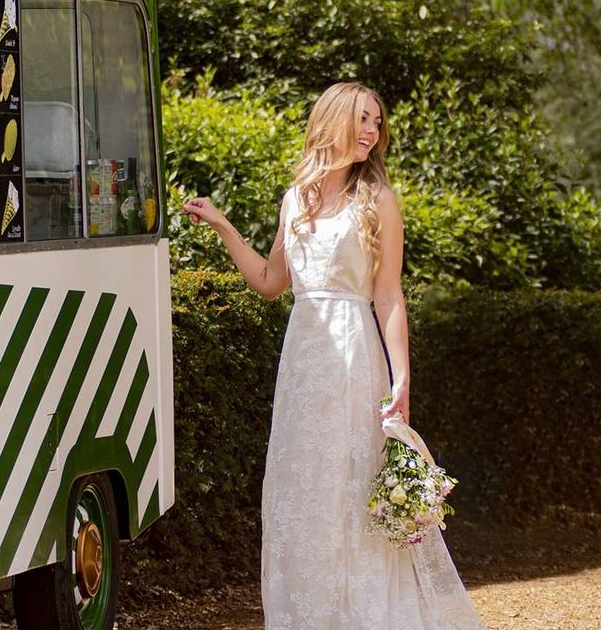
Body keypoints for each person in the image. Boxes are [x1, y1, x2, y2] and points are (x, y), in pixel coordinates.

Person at [182, 82, 486, 629]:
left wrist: (402, 378)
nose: (372, 131)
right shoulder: (295, 197)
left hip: (354, 354)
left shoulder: (378, 201)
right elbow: (271, 281)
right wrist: (224, 225)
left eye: (377, 122)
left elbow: (389, 294)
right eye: (363, 119)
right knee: (304, 491)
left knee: (350, 490)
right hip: (302, 361)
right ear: (334, 121)